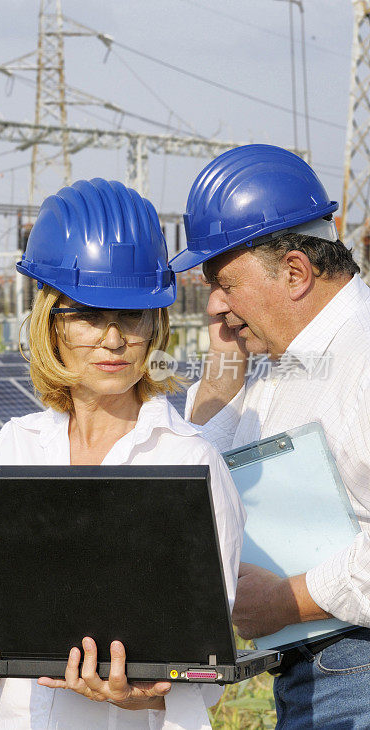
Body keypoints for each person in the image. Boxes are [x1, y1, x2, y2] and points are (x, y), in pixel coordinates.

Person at [0, 178, 245, 730]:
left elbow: (204, 669)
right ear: (50, 324)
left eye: (133, 315)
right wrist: (31, 644)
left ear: (157, 325)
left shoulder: (190, 463)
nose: (114, 339)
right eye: (89, 315)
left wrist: (138, 694)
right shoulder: (16, 446)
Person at [171, 143, 370, 729]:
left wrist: (290, 600)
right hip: (315, 675)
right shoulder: (279, 364)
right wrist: (223, 359)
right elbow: (197, 474)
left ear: (294, 271)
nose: (214, 303)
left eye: (225, 282)